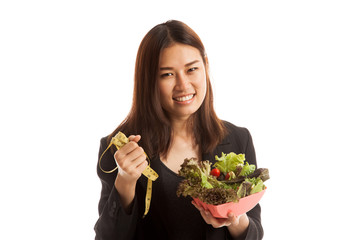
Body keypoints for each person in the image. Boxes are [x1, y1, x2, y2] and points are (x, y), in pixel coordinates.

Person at [94, 20, 264, 240]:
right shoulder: (120, 149)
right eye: (167, 74)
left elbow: (254, 233)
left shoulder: (238, 139)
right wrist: (125, 181)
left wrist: (235, 219)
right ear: (149, 81)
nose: (183, 85)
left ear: (206, 66)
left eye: (192, 69)